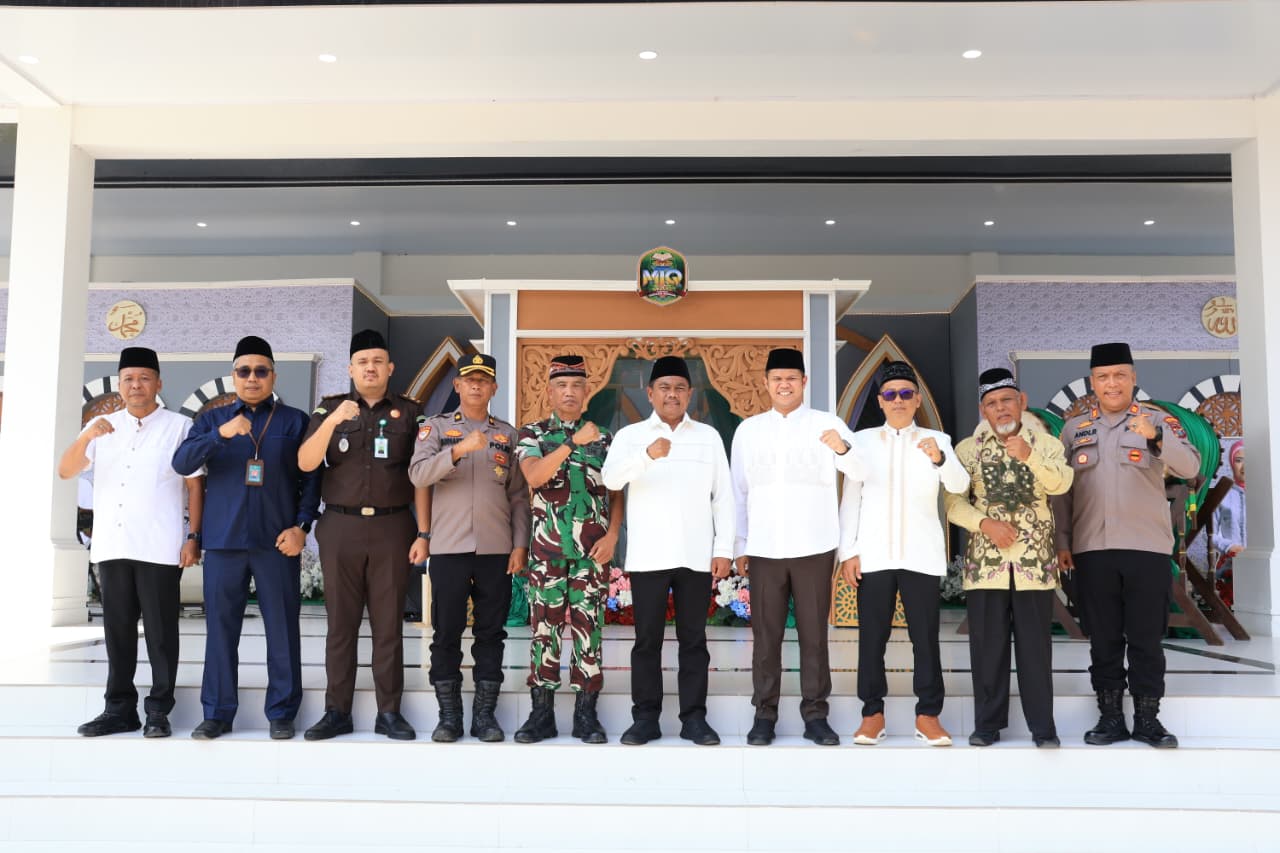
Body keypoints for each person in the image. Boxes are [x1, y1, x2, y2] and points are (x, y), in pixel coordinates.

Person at [1051, 342, 1200, 749]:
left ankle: (1148, 719)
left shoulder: (1157, 420)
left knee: (1146, 638)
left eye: (1119, 375)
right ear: (1093, 383)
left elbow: (1191, 467)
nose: (1112, 383)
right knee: (1103, 639)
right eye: (1103, 377)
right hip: (1092, 549)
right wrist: (1062, 541)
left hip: (1146, 548)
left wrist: (1157, 438)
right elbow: (1062, 493)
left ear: (1133, 378)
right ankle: (1111, 717)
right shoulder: (1074, 429)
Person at [173, 335, 321, 740]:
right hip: (224, 542)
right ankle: (218, 713)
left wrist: (302, 526)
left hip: (278, 543)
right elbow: (182, 463)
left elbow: (312, 479)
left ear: (273, 375)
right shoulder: (210, 421)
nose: (252, 378)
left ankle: (282, 713)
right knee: (221, 631)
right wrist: (220, 435)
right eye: (244, 371)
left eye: (260, 371)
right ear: (233, 376)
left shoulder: (294, 421)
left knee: (283, 629)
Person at [57, 347, 203, 739]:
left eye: (143, 378)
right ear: (120, 384)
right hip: (112, 544)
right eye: (128, 379)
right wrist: (88, 435)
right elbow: (66, 470)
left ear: (158, 383)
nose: (135, 385)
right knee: (118, 632)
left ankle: (158, 710)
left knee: (160, 634)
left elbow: (194, 485)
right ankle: (119, 710)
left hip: (159, 545)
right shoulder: (101, 425)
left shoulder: (179, 426)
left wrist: (193, 537)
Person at [299, 329, 430, 742]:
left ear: (390, 368)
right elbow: (305, 462)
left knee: (389, 625)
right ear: (351, 368)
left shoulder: (411, 413)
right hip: (341, 527)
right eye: (362, 362)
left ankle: (389, 712)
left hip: (393, 526)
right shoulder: (329, 409)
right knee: (341, 624)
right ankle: (337, 711)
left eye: (377, 361)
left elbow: (422, 476)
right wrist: (333, 421)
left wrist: (424, 532)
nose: (370, 368)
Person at [731, 347, 865, 747]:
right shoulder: (749, 431)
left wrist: (842, 448)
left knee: (814, 636)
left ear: (804, 382)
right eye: (777, 379)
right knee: (765, 637)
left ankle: (816, 715)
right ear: (766, 383)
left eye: (791, 378)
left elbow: (861, 472)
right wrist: (740, 543)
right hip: (764, 548)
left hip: (814, 546)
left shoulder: (828, 424)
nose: (784, 385)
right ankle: (764, 714)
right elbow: (739, 492)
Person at [601, 356, 734, 746]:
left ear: (689, 394)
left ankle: (694, 719)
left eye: (679, 388)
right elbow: (611, 479)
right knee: (647, 642)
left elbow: (723, 497)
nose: (671, 394)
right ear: (650, 393)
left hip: (696, 555)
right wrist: (647, 455)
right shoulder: (631, 436)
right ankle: (645, 718)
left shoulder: (708, 437)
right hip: (649, 556)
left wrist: (723, 548)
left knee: (694, 642)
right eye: (664, 388)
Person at [839, 360, 969, 747]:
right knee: (872, 639)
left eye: (906, 393)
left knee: (925, 639)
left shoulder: (936, 439)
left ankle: (928, 715)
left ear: (917, 400)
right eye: (891, 394)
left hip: (920, 554)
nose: (898, 400)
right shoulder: (861, 441)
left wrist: (939, 458)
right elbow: (851, 498)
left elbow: (959, 485)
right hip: (874, 554)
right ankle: (872, 715)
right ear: (880, 401)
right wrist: (849, 552)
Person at [944, 367, 1072, 748]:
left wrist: (1030, 456)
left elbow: (1061, 483)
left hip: (1034, 565)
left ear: (1022, 402)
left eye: (1007, 400)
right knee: (987, 648)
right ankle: (988, 725)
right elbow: (952, 503)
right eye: (992, 403)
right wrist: (984, 524)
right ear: (982, 410)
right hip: (987, 565)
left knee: (1036, 649)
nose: (1000, 409)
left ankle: (1042, 728)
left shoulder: (1047, 444)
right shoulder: (967, 451)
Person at [409, 353, 530, 743]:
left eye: (484, 380)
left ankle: (485, 716)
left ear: (494, 387)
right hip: (449, 546)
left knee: (491, 633)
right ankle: (449, 717)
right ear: (458, 385)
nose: (476, 385)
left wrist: (520, 544)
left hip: (496, 548)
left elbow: (518, 496)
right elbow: (418, 475)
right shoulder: (435, 428)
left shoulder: (508, 434)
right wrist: (458, 450)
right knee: (446, 631)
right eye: (469, 379)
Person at [514, 355, 622, 744]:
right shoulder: (533, 434)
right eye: (562, 385)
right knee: (545, 630)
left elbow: (616, 491)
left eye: (577, 385)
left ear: (587, 391)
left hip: (592, 553)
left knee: (588, 630)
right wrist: (572, 443)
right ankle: (541, 714)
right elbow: (534, 476)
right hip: (547, 552)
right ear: (550, 391)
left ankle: (585, 716)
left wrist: (613, 535)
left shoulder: (606, 438)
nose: (570, 392)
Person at [1211, 440, 1245, 579]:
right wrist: (1229, 546)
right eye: (1239, 460)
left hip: (1263, 565)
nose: (1244, 466)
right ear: (1231, 462)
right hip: (1230, 568)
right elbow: (1210, 535)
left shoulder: (1268, 496)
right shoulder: (1222, 495)